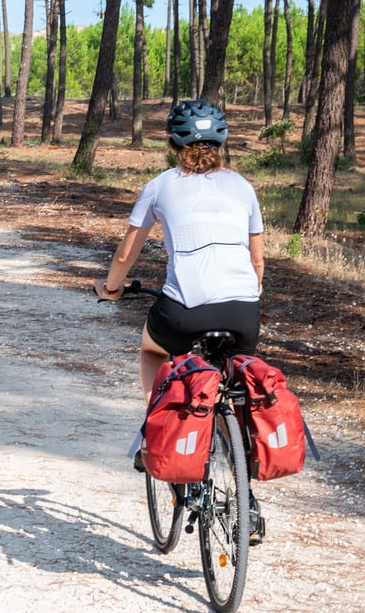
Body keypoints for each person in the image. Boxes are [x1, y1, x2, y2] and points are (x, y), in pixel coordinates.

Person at [92, 99, 265, 407]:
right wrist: (253, 289)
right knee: (234, 385)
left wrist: (111, 288)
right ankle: (240, 447)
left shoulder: (160, 185)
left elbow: (125, 256)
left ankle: (156, 427)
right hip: (243, 311)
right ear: (221, 141)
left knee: (153, 351)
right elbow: (257, 261)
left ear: (171, 141)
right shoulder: (242, 186)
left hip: (184, 309)